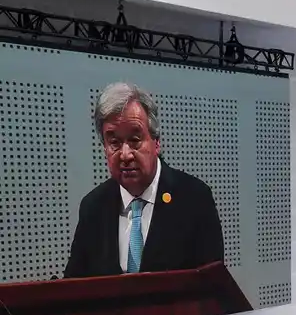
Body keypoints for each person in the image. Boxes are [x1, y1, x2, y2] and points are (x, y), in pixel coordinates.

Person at [64, 82, 225, 278]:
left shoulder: (194, 199)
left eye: (134, 140)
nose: (125, 154)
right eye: (114, 142)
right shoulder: (93, 207)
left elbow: (212, 286)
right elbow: (74, 284)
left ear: (156, 142)